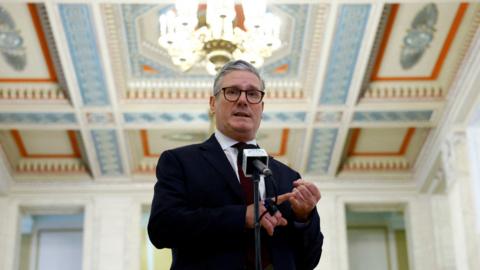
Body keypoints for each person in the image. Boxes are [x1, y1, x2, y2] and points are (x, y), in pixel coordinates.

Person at [148, 60, 323, 270]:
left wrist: (304, 218)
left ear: (262, 107)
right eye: (232, 92)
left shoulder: (287, 177)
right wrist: (242, 217)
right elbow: (162, 228)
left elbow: (308, 261)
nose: (243, 100)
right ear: (213, 103)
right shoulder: (180, 162)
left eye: (252, 94)